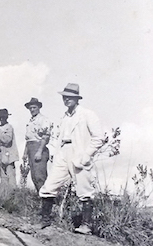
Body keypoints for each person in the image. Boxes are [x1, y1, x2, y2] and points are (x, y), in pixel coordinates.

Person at [39, 83, 105, 234]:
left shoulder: (87, 114)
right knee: (50, 185)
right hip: (63, 152)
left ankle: (86, 225)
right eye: (64, 97)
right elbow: (59, 137)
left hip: (79, 153)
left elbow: (99, 138)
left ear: (77, 99)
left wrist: (86, 155)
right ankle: (44, 220)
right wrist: (55, 153)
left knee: (84, 189)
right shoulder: (64, 117)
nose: (67, 100)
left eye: (70, 97)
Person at [23, 98, 53, 192]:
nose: (32, 110)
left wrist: (39, 151)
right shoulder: (30, 121)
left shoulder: (43, 119)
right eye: (30, 108)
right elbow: (28, 139)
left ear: (39, 107)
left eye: (34, 107)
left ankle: (48, 200)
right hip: (30, 149)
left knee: (40, 176)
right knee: (34, 177)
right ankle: (40, 197)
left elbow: (45, 136)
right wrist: (25, 153)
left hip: (39, 148)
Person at [0, 108, 19, 188]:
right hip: (1, 157)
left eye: (3, 117)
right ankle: (5, 196)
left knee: (11, 177)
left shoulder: (9, 127)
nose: (1, 119)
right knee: (3, 179)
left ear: (6, 117)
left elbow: (7, 140)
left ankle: (14, 196)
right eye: (0, 117)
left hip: (9, 157)